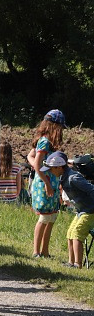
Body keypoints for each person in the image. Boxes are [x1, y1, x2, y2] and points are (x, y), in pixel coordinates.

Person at [41, 152, 94, 269]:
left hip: (90, 210)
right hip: (81, 210)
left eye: (50, 169)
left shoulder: (73, 178)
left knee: (77, 234)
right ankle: (71, 262)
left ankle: (78, 264)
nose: (49, 171)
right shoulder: (63, 176)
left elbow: (91, 190)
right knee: (70, 233)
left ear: (59, 167)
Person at [27, 109, 66, 258]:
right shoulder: (44, 141)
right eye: (60, 127)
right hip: (45, 183)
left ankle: (45, 251)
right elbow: (36, 164)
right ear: (53, 126)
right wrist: (46, 181)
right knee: (44, 218)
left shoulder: (50, 142)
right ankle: (36, 251)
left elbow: (32, 158)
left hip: (52, 181)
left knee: (52, 217)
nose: (61, 130)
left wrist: (44, 166)